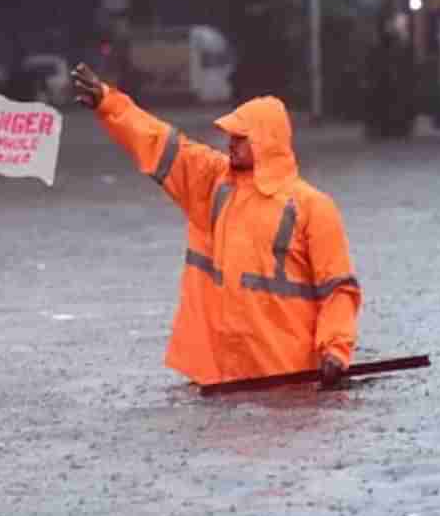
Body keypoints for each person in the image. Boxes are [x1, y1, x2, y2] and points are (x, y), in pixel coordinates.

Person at [71, 63, 361, 388]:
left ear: (266, 141)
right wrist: (109, 103)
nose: (230, 143)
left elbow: (338, 289)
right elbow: (161, 143)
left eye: (241, 137)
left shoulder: (313, 207)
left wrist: (335, 351)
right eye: (232, 137)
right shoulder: (215, 182)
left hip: (287, 381)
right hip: (221, 379)